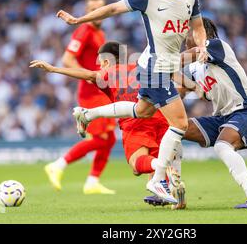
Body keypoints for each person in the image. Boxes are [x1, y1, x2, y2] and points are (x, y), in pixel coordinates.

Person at [56, 0, 207, 203]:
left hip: (167, 66)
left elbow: (198, 26)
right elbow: (113, 9)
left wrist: (201, 44)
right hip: (153, 68)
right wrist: (78, 20)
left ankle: (87, 114)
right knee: (180, 124)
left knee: (144, 110)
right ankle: (159, 179)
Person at [30, 41, 186, 209]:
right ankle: (170, 190)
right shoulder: (139, 67)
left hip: (135, 121)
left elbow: (88, 75)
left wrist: (54, 69)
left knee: (137, 163)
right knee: (149, 163)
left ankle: (163, 168)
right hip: (161, 116)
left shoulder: (110, 72)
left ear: (105, 61)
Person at [171, 17, 247, 209]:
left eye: (188, 32)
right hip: (222, 117)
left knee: (222, 146)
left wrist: (164, 62)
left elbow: (194, 52)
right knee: (176, 130)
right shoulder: (194, 68)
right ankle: (175, 190)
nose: (185, 37)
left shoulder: (217, 46)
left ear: (201, 32)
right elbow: (179, 92)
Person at [44, 0, 117, 195]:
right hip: (91, 93)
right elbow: (67, 58)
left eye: (100, 8)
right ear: (86, 12)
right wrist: (85, 76)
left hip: (101, 90)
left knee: (109, 139)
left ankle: (93, 181)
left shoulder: (99, 33)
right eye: (92, 9)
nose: (97, 12)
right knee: (101, 139)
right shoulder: (84, 30)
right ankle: (58, 165)